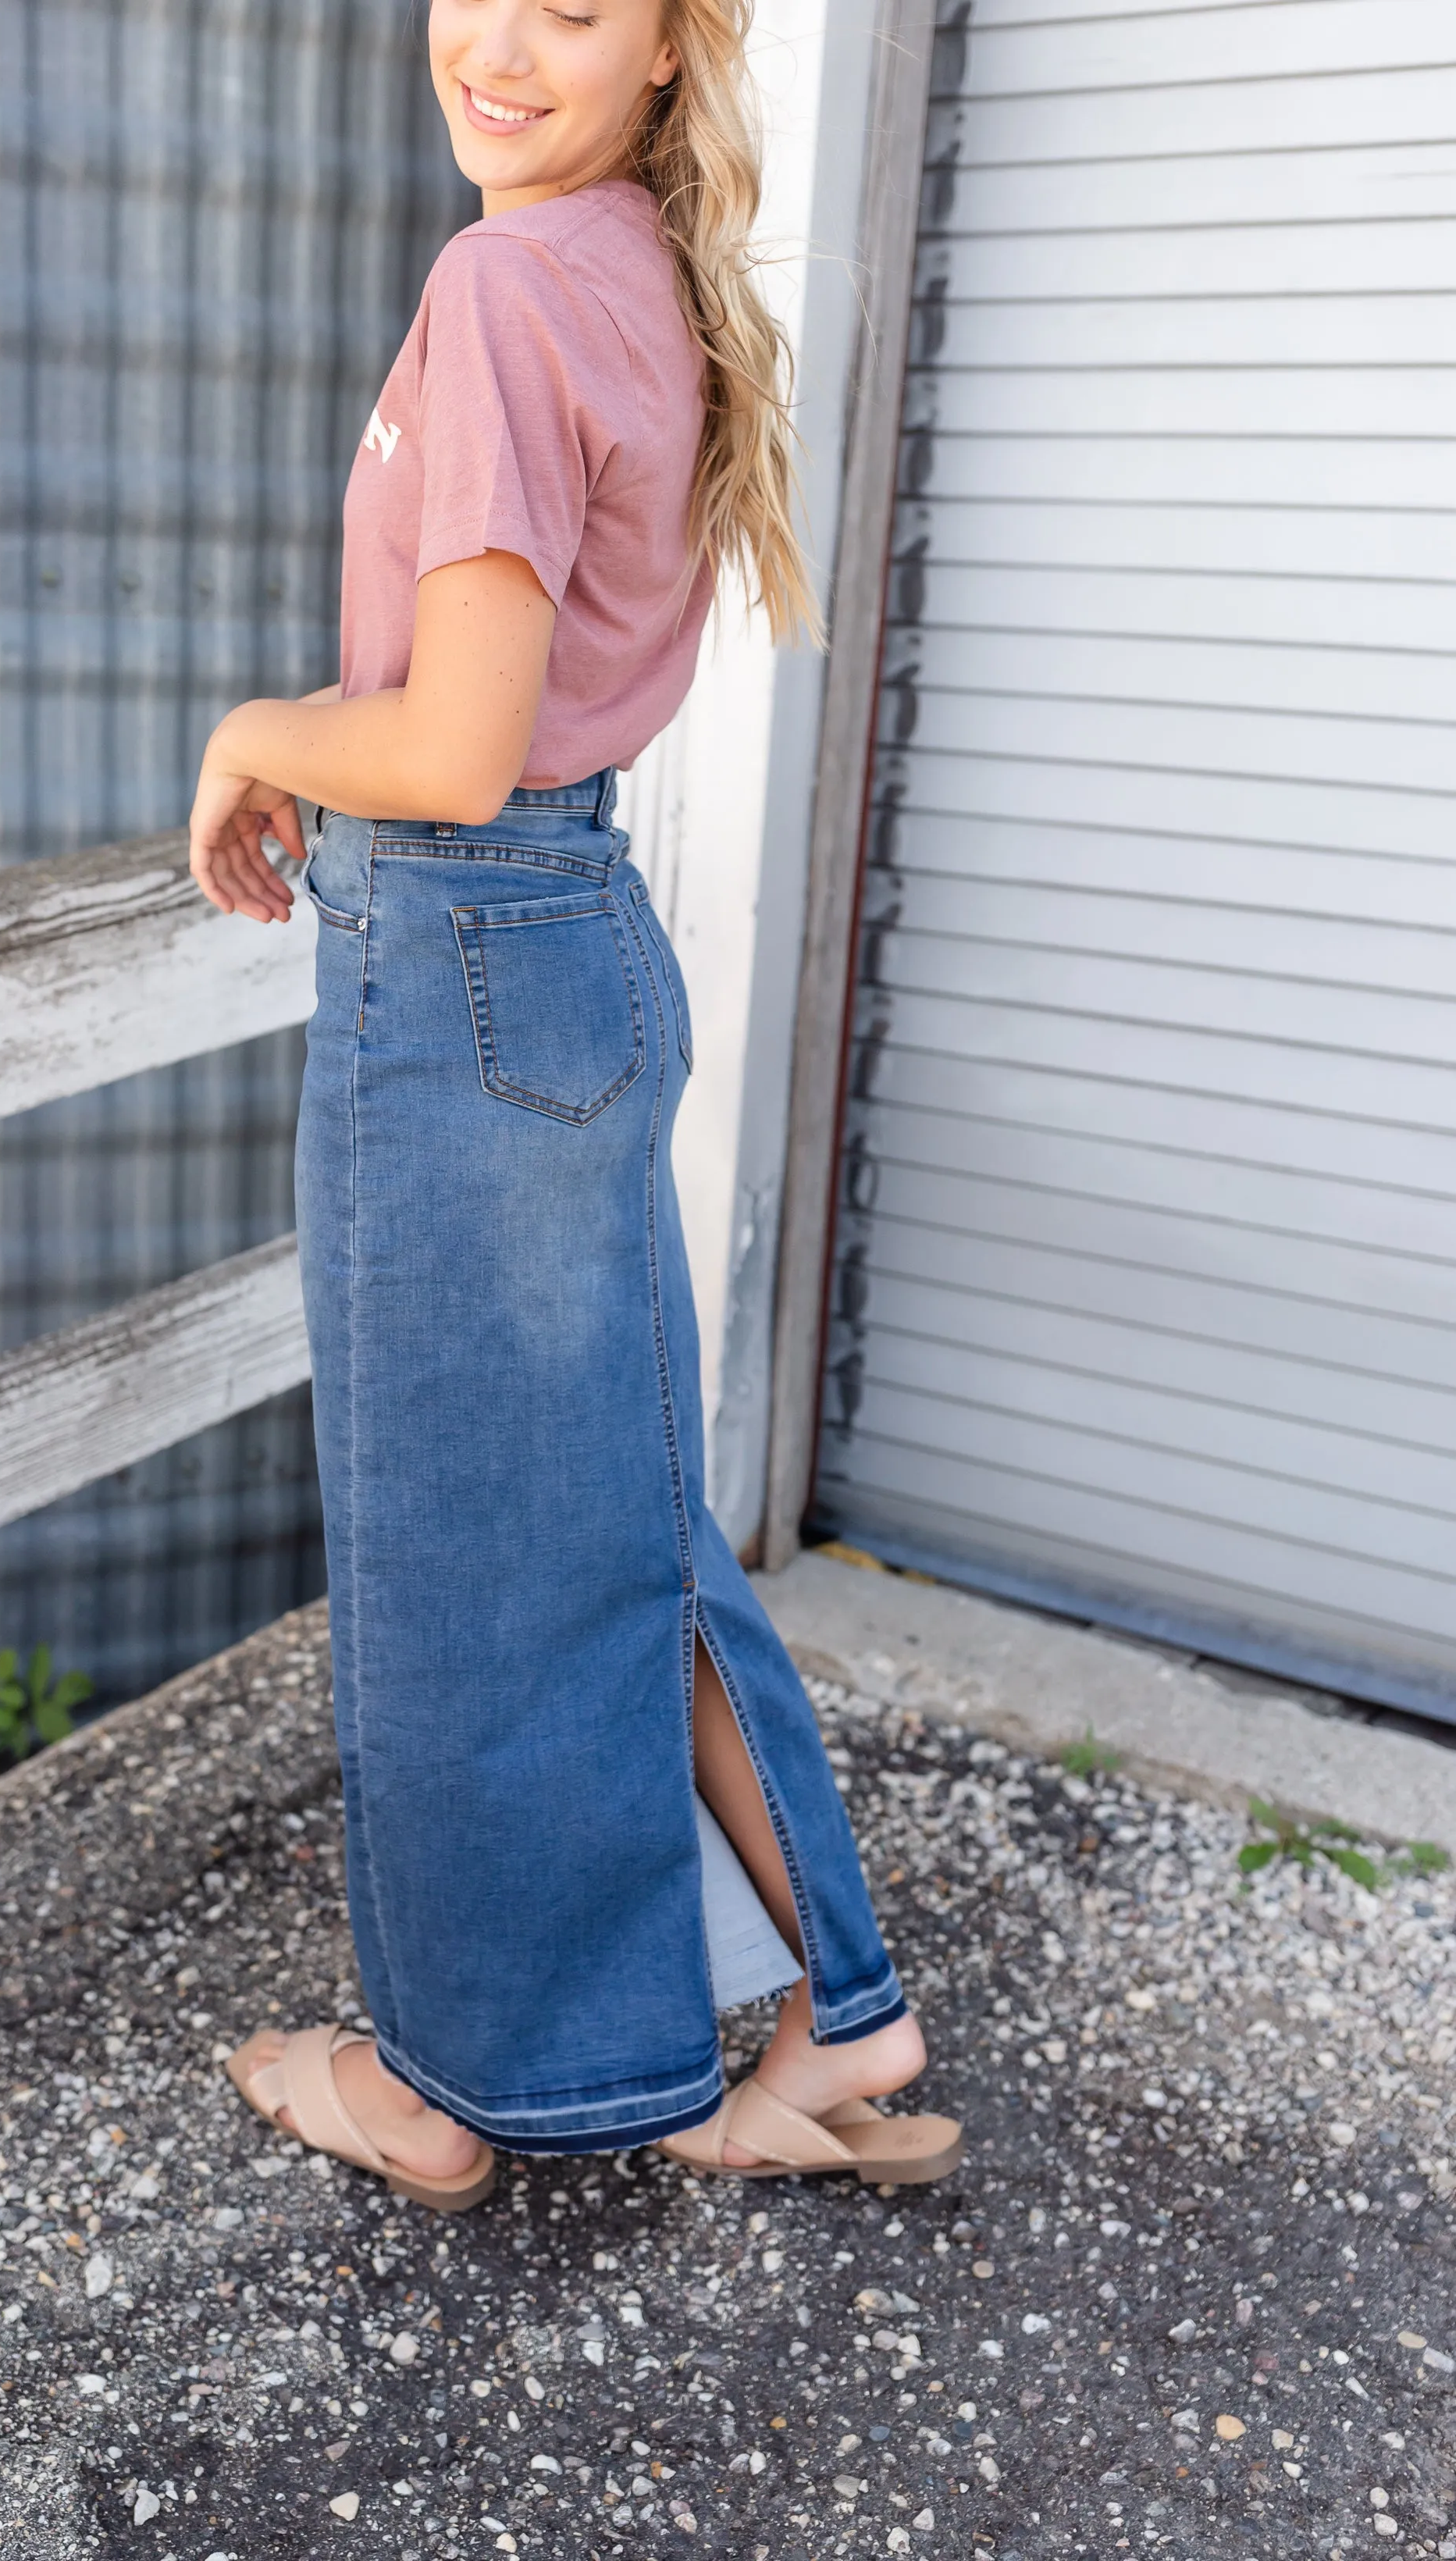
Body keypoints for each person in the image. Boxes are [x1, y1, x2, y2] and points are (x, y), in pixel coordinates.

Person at [188, 0, 961, 2207]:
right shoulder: (637, 259)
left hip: (455, 947)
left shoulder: (511, 280)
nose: (502, 50)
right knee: (613, 1517)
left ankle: (447, 2087)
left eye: (578, 10)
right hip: (570, 941)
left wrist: (259, 727)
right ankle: (842, 2003)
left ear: (668, 48)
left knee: (461, 1556)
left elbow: (444, 751)